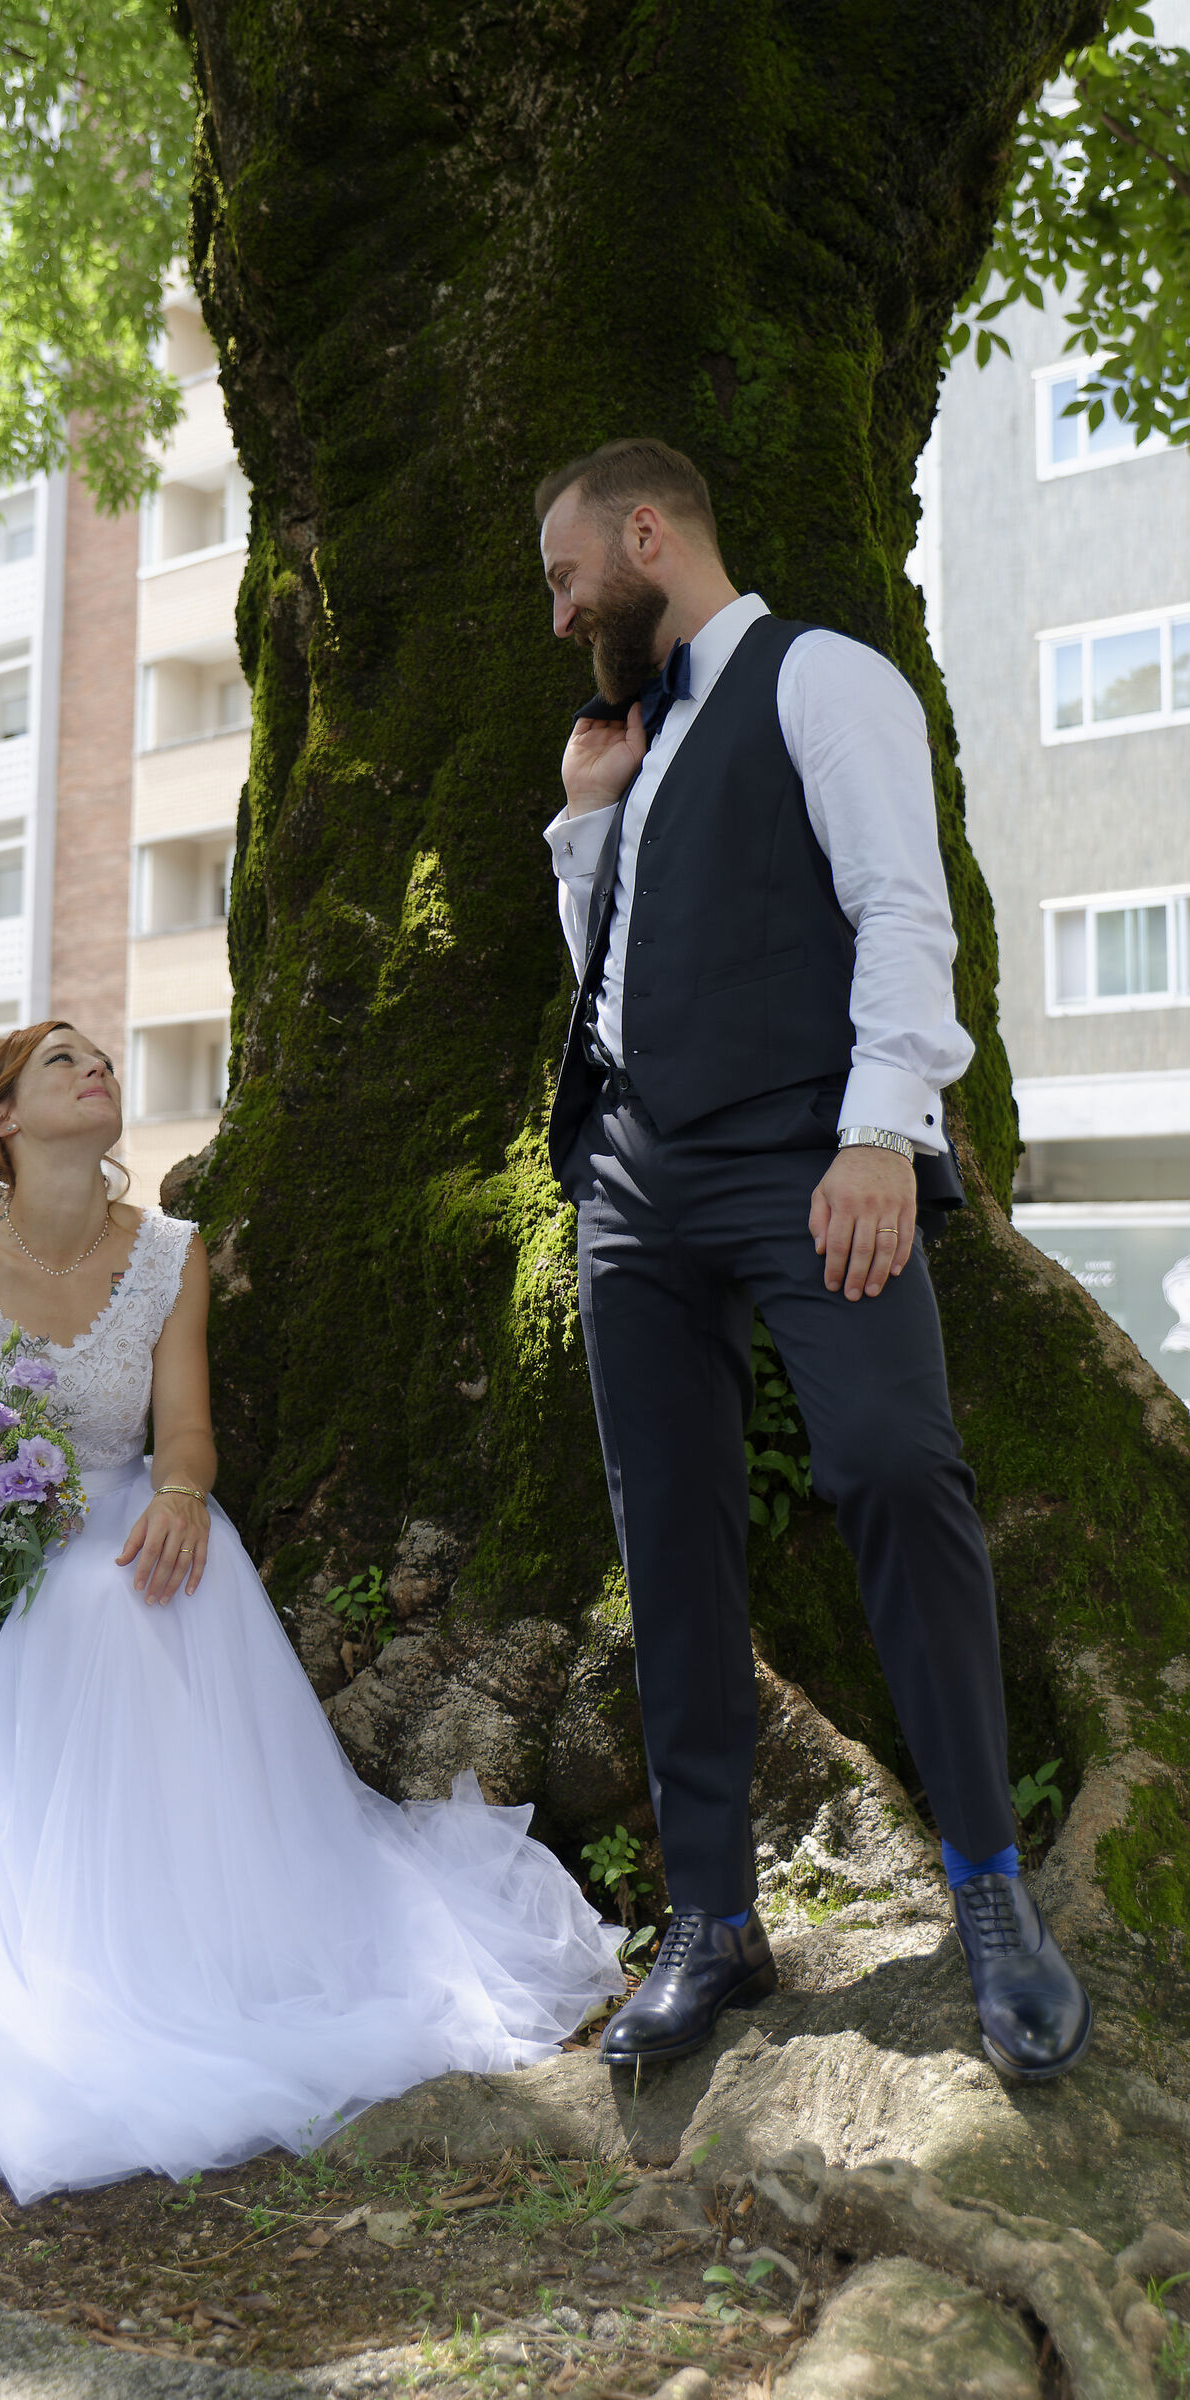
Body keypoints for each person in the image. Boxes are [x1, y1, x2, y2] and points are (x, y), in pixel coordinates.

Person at [0, 1021, 623, 2201]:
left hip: (131, 1520)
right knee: (3, 1645)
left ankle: (168, 1950)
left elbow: (184, 1428)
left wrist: (183, 1494)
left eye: (100, 1057)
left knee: (119, 1601)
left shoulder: (167, 1254)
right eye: (60, 1061)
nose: (94, 1068)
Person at [535, 438, 1091, 2084]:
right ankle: (710, 1919)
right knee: (668, 1536)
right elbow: (619, 975)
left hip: (804, 1151)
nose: (560, 615)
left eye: (568, 576)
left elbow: (901, 913)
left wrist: (876, 1134)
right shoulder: (630, 745)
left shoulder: (822, 677)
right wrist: (584, 827)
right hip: (632, 1176)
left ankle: (986, 1889)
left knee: (894, 1467)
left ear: (648, 534)